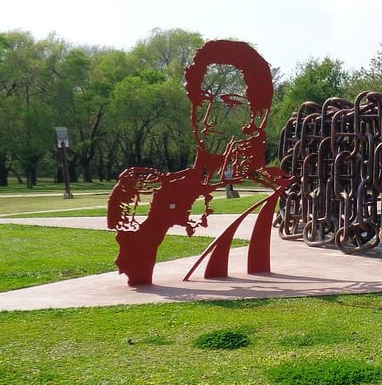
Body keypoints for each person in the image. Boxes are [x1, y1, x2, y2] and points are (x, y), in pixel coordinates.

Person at [107, 40, 286, 286]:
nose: (208, 118)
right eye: (202, 100)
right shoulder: (161, 189)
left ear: (258, 116)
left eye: (229, 103)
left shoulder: (274, 182)